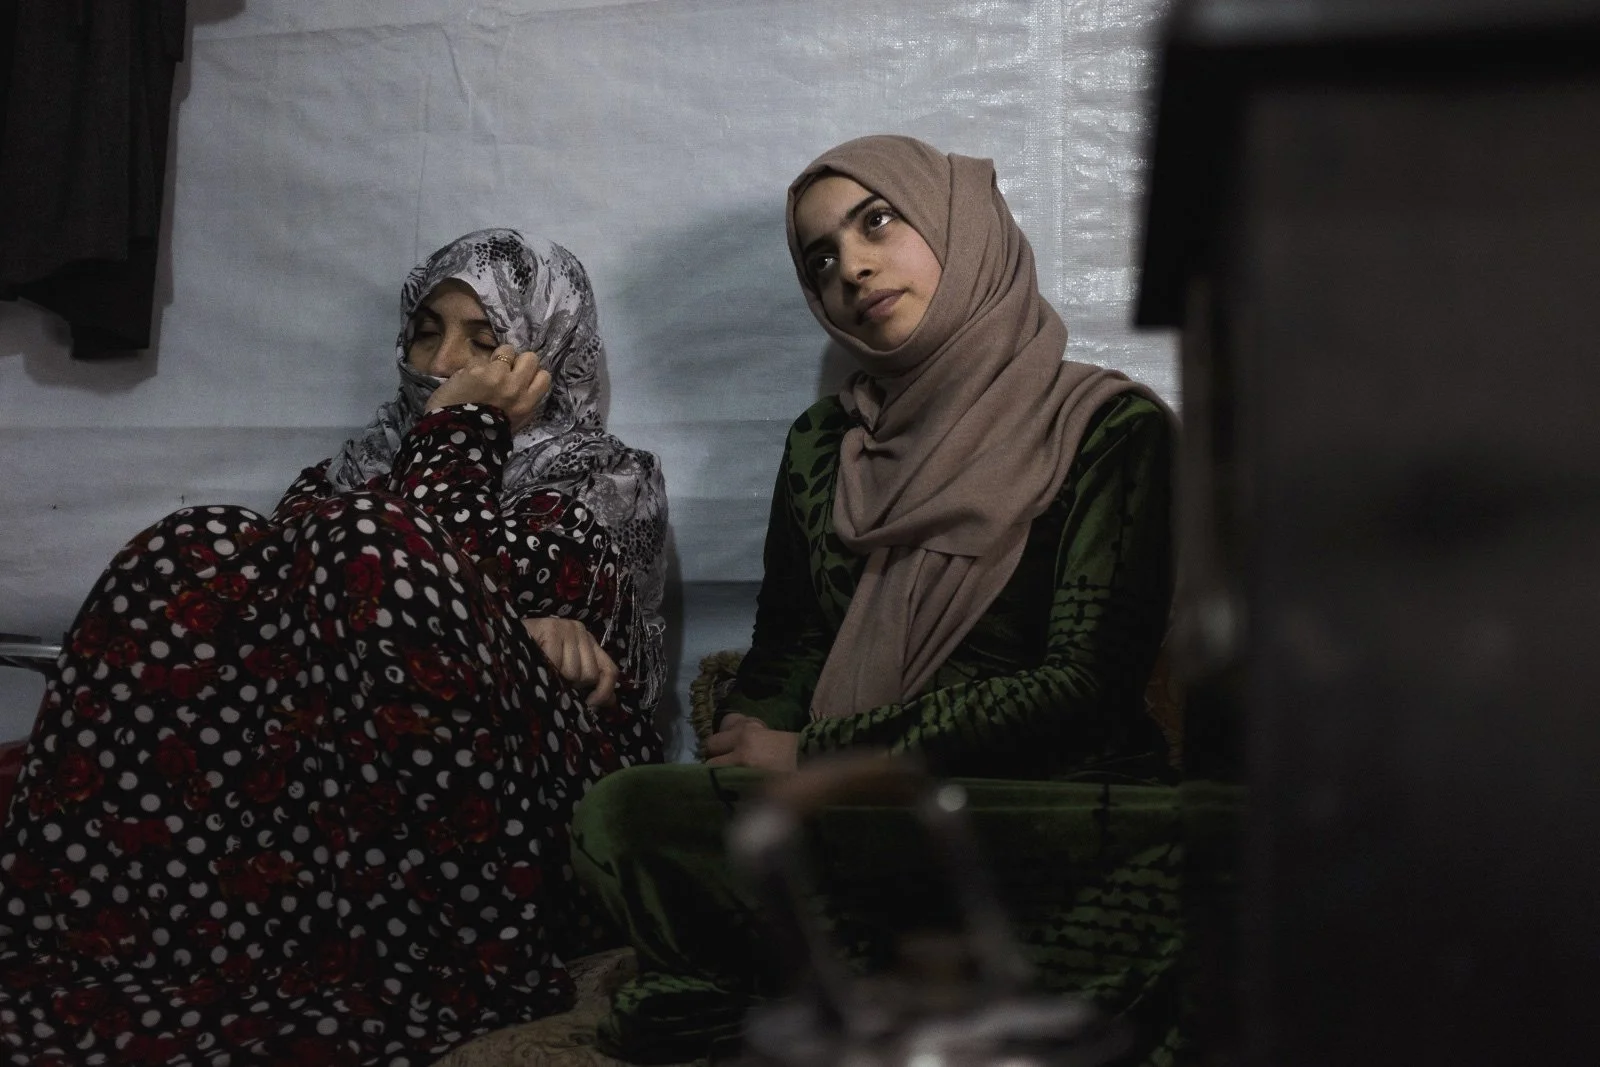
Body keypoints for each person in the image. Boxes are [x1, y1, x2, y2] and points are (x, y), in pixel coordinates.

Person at [571, 136, 1185, 1064]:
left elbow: (1083, 689)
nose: (851, 267)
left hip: (1041, 815)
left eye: (878, 222)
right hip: (852, 823)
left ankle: (820, 985)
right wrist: (750, 746)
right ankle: (919, 984)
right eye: (820, 259)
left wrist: (817, 752)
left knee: (1212, 853)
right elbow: (791, 644)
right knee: (623, 814)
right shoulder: (823, 444)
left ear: (960, 226)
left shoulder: (1109, 428)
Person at [0, 229, 667, 1065]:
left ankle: (456, 970)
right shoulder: (345, 474)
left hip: (535, 824)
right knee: (197, 543)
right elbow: (273, 636)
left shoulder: (601, 480)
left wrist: (460, 433)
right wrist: (496, 609)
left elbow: (411, 581)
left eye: (483, 339)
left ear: (546, 351)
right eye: (427, 331)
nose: (445, 361)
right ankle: (96, 934)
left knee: (366, 535)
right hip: (332, 814)